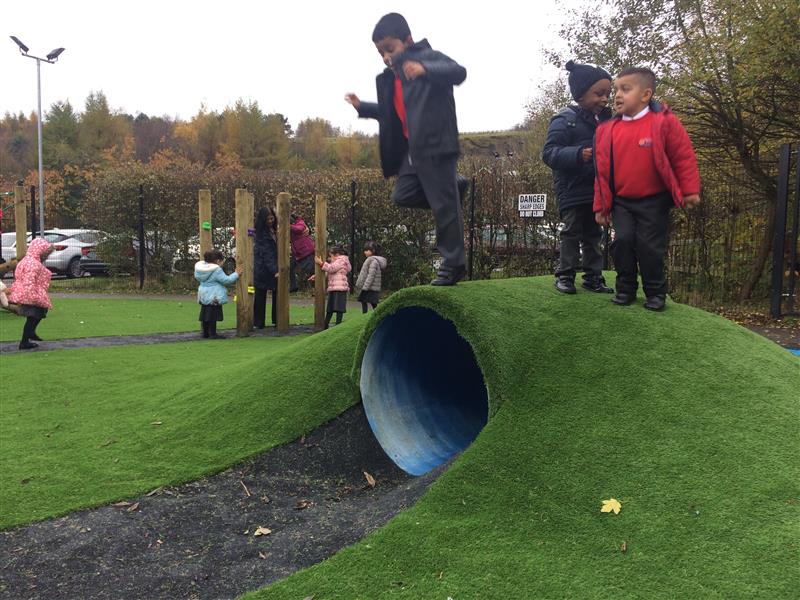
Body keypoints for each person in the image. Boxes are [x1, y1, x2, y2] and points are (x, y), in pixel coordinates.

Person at [345, 12, 469, 286]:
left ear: (408, 41)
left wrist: (426, 69)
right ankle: (454, 187)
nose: (386, 57)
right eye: (380, 52)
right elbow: (390, 113)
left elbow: (459, 72)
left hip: (436, 145)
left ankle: (453, 265)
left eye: (390, 49)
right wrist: (362, 107)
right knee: (402, 195)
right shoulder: (393, 79)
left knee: (443, 207)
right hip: (412, 153)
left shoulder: (428, 57)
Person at [594, 67, 701, 311]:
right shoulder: (607, 130)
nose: (617, 95)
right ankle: (625, 289)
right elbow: (600, 172)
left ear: (645, 95)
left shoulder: (663, 121)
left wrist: (689, 190)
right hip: (622, 202)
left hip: (654, 201)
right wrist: (600, 206)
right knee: (622, 242)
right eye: (616, 90)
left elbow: (682, 156)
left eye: (626, 89)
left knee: (649, 248)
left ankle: (655, 293)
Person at [542, 60, 614, 295]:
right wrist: (577, 155)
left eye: (607, 94)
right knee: (572, 231)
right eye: (599, 93)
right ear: (581, 93)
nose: (604, 99)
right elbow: (549, 153)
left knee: (594, 234)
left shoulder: (605, 120)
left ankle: (593, 277)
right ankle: (565, 276)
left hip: (595, 190)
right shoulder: (565, 120)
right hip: (572, 189)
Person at [7, 237, 54, 350]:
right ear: (40, 252)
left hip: (27, 291)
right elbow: (29, 280)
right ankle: (25, 341)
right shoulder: (33, 263)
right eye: (46, 254)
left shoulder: (27, 260)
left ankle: (30, 334)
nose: (46, 256)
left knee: (38, 313)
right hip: (30, 293)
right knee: (34, 316)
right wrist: (32, 295)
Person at [194, 248, 242, 338]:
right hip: (214, 295)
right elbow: (226, 280)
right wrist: (236, 274)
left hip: (203, 294)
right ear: (218, 261)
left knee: (204, 313)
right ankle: (213, 333)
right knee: (213, 315)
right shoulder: (216, 270)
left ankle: (205, 333)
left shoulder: (200, 270)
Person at [253, 206, 279, 328]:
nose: (270, 221)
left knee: (278, 293)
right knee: (260, 295)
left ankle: (277, 319)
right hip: (263, 268)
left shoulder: (274, 230)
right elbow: (266, 253)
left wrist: (306, 229)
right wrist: (275, 270)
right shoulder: (261, 234)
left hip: (271, 266)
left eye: (272, 218)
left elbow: (294, 220)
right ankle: (258, 323)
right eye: (268, 219)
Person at [315, 246, 351, 328]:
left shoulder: (341, 260)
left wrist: (321, 263)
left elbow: (331, 268)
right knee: (330, 308)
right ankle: (325, 325)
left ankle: (336, 325)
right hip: (335, 288)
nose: (330, 258)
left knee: (339, 308)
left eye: (331, 256)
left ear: (337, 255)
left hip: (339, 288)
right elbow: (330, 272)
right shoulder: (339, 262)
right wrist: (316, 276)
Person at [355, 241, 387, 313]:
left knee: (371, 302)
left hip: (370, 287)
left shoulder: (373, 261)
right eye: (364, 250)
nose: (365, 252)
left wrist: (365, 286)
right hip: (371, 287)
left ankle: (369, 314)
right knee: (366, 301)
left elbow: (371, 275)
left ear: (373, 251)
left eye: (367, 250)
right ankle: (366, 315)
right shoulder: (371, 260)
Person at [289, 213, 316, 293]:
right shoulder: (291, 227)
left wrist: (288, 226)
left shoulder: (300, 222)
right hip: (297, 253)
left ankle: (312, 287)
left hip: (305, 251)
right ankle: (293, 286)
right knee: (290, 268)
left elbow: (300, 229)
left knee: (307, 269)